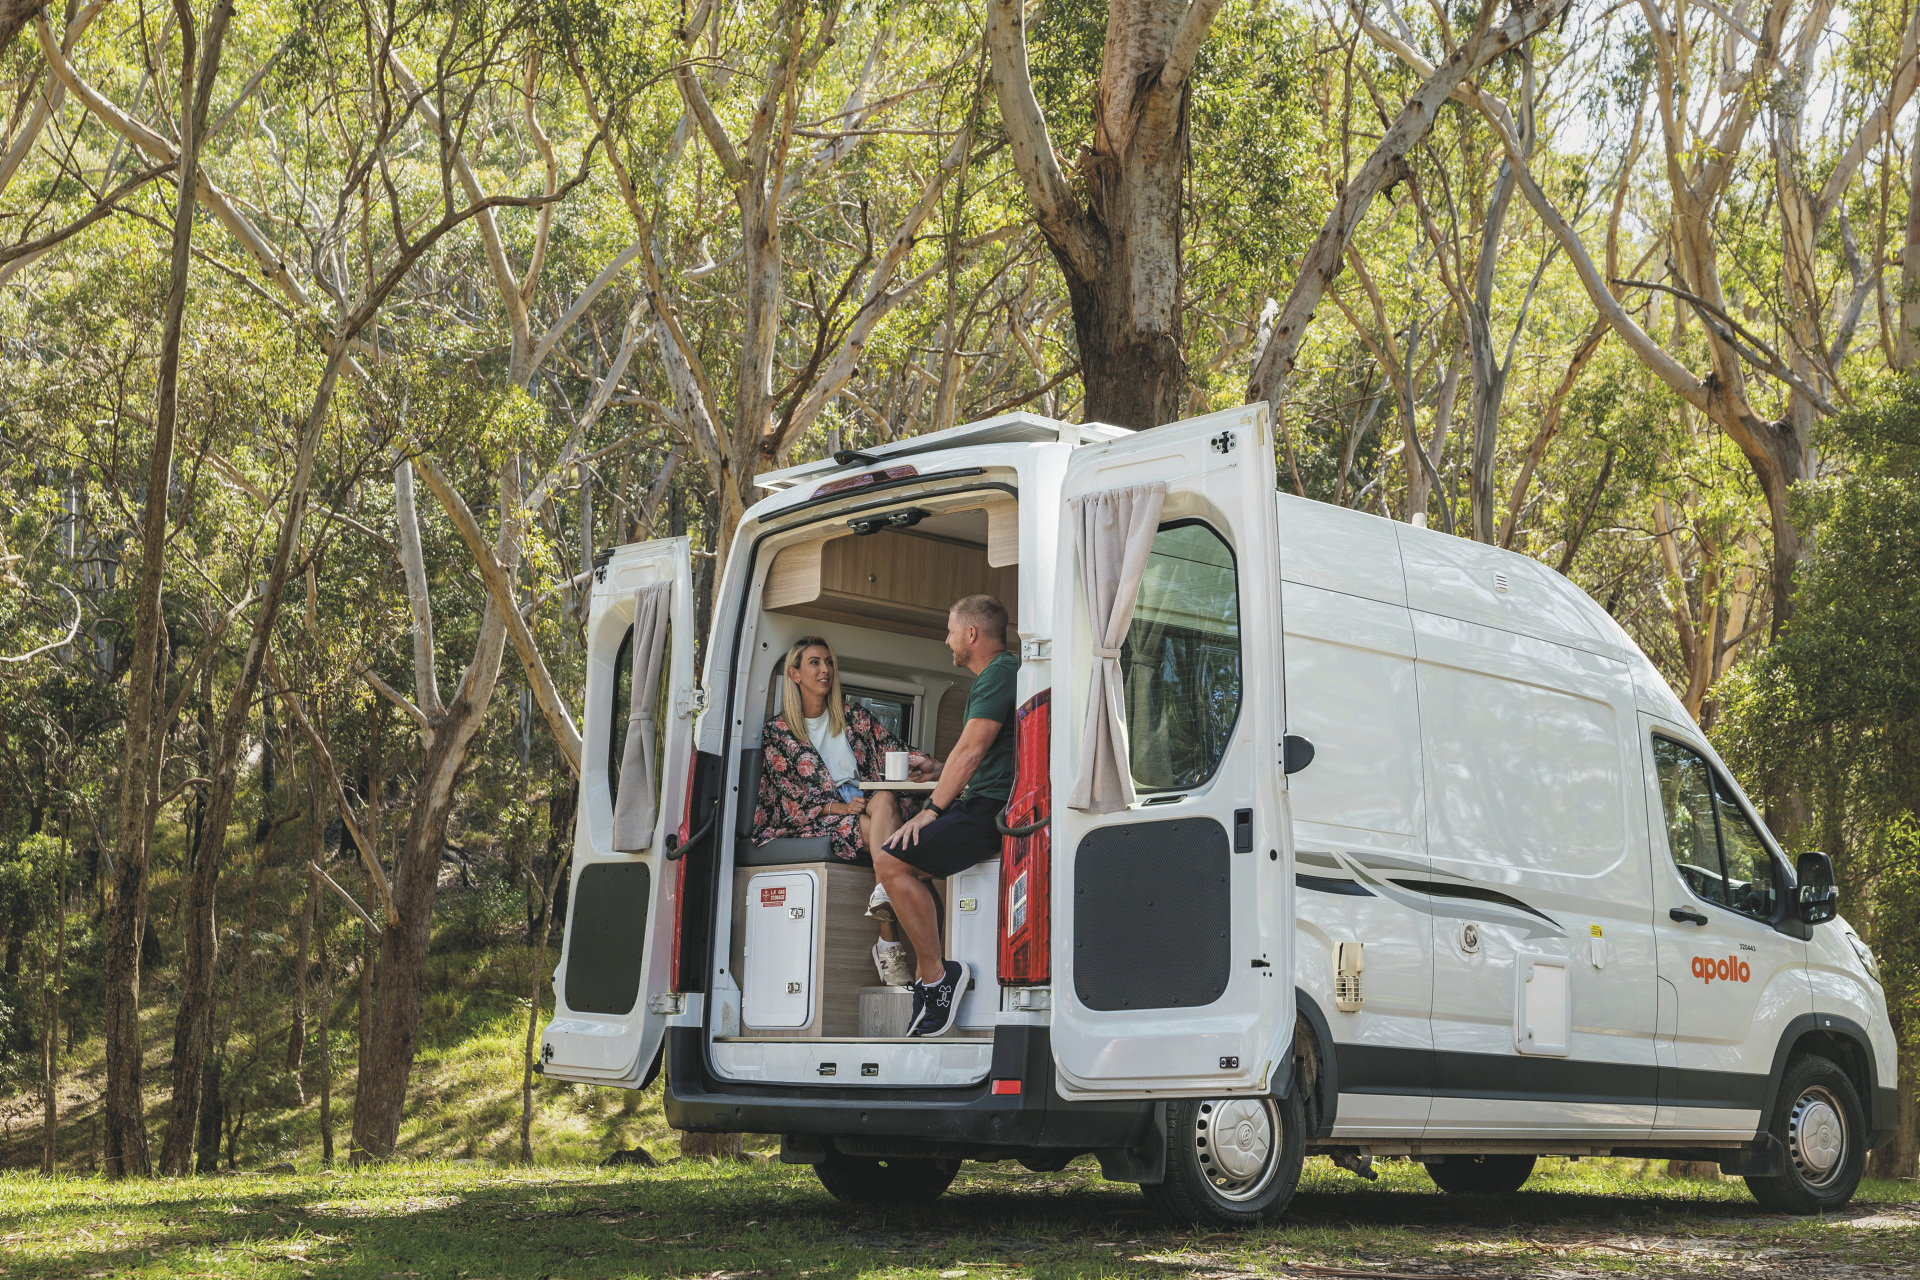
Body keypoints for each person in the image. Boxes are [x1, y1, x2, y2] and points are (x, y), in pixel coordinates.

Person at [875, 594, 1018, 1037]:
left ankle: (937, 979)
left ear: (971, 634)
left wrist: (932, 810)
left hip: (991, 808)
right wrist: (938, 771)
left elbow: (971, 751)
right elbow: (988, 753)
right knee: (901, 867)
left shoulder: (999, 673)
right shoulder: (998, 674)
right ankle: (930, 979)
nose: (946, 640)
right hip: (983, 798)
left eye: (951, 631)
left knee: (890, 863)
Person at [750, 636, 919, 985]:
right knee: (884, 831)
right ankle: (888, 937)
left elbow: (894, 749)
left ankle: (885, 913)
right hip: (820, 813)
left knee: (885, 798)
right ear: (795, 674)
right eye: (814, 663)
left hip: (869, 798)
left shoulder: (852, 715)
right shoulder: (778, 732)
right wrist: (839, 807)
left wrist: (941, 768)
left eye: (828, 662)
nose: (825, 669)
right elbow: (788, 797)